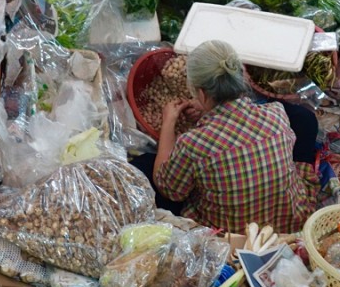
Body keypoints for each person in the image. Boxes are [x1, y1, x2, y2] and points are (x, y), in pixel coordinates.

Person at [130, 40, 320, 234]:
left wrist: (168, 121)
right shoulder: (276, 113)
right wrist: (205, 109)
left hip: (233, 233)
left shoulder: (192, 143)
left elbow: (167, 187)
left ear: (202, 94)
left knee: (142, 165)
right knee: (304, 119)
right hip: (290, 221)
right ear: (241, 78)